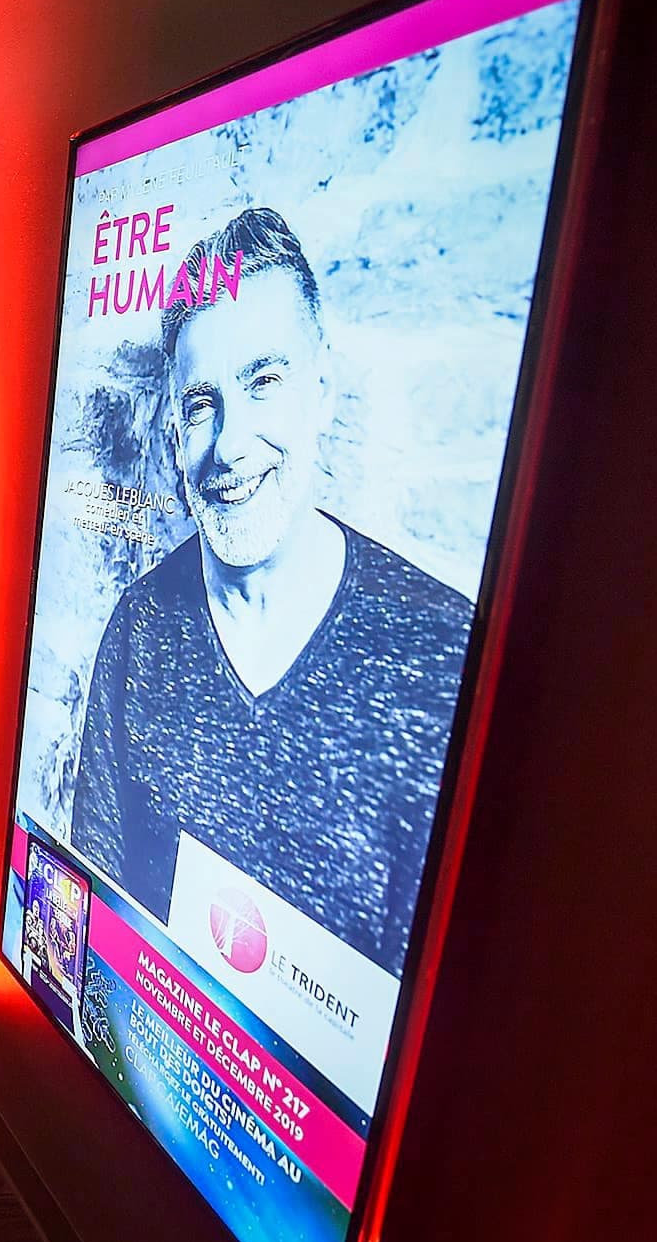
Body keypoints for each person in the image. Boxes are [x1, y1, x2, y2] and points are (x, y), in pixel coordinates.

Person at [69, 207, 472, 978]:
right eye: (201, 403)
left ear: (322, 389)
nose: (228, 443)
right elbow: (87, 920)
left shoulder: (441, 657)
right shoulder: (140, 631)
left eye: (264, 382)